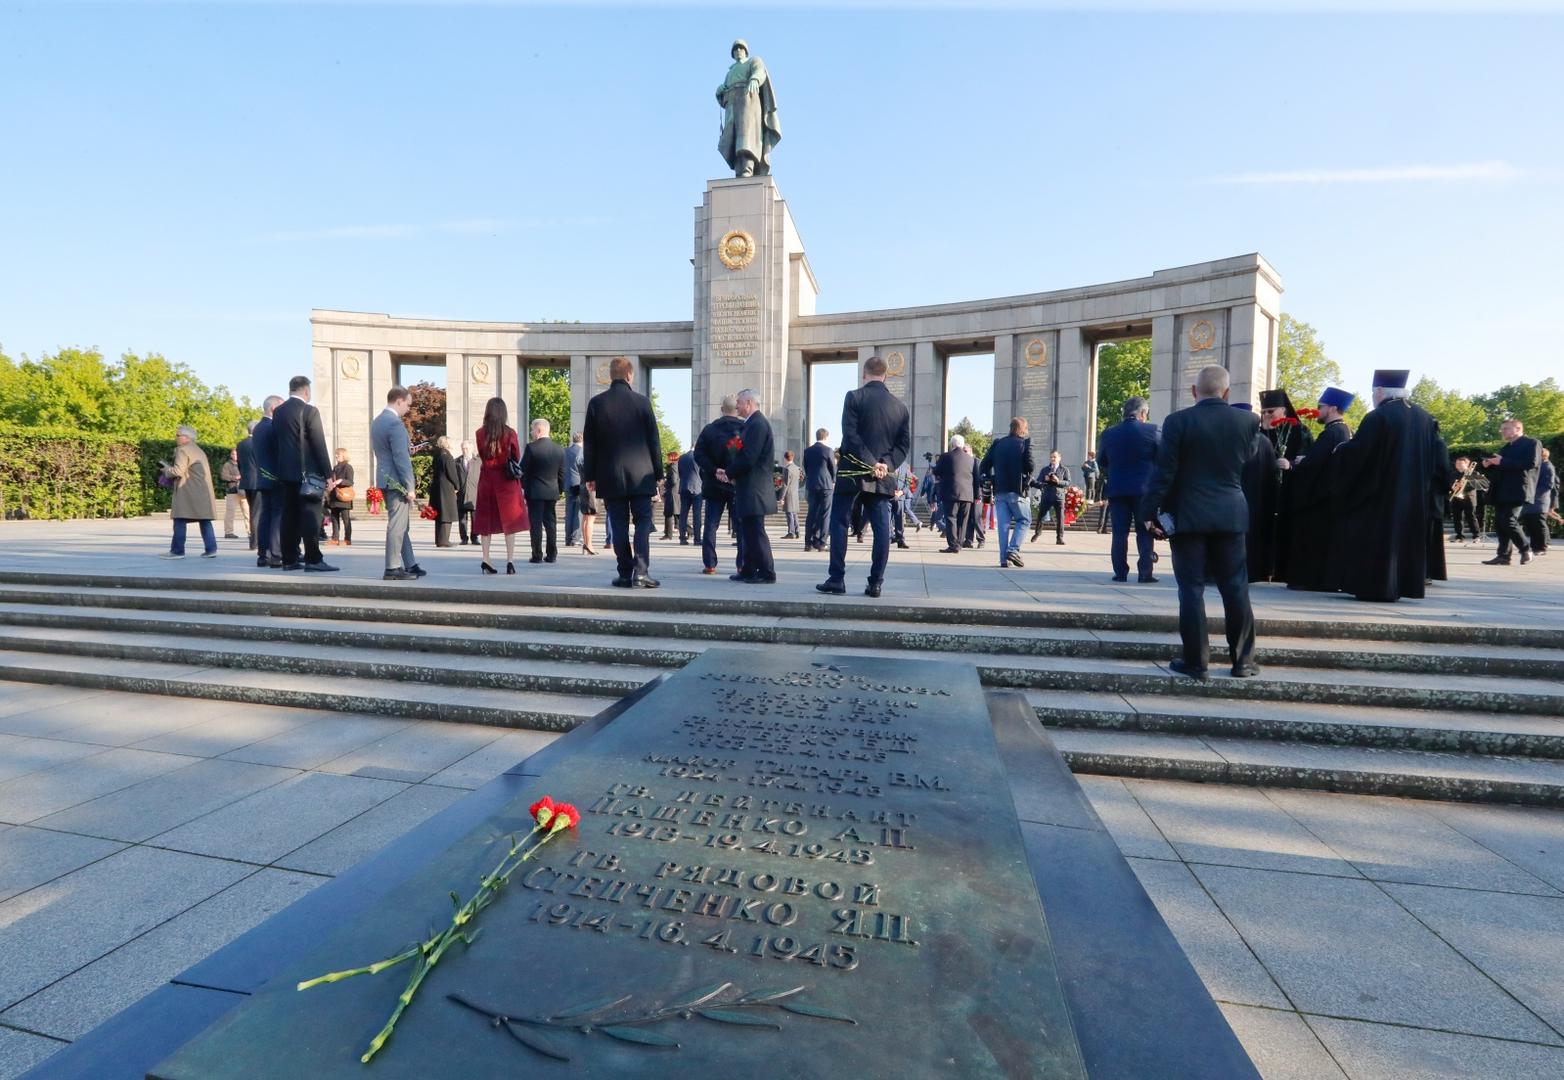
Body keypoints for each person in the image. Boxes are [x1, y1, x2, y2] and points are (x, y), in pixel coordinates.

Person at [1140, 365, 1258, 680]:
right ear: (1227, 392)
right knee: (1235, 587)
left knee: (1191, 589)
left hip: (1188, 515)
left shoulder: (1178, 421)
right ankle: (1243, 661)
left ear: (1195, 392)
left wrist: (1149, 514)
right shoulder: (1248, 421)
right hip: (1230, 514)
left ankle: (1195, 660)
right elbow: (1247, 458)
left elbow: (1164, 472)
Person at [1330, 370, 1441, 599]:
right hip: (1414, 494)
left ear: (1379, 392)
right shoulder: (1425, 417)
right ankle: (1404, 585)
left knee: (1376, 538)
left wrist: (1341, 450)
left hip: (1382, 493)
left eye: (1373, 393)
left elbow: (1361, 453)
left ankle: (1375, 587)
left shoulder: (1378, 416)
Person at [818, 355, 910, 598]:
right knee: (881, 529)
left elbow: (850, 435)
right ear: (886, 376)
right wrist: (884, 464)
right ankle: (875, 583)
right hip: (882, 476)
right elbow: (903, 446)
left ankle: (836, 579)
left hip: (853, 471)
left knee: (839, 522)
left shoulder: (854, 397)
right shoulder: (900, 407)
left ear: (864, 374)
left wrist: (870, 463)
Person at [582, 356, 662, 588]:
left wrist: (590, 476)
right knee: (643, 522)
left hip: (610, 475)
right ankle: (641, 571)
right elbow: (653, 442)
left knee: (618, 524)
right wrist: (659, 474)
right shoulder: (642, 402)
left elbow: (590, 443)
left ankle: (625, 572)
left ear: (611, 375)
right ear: (629, 375)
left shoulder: (596, 404)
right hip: (641, 474)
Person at [1285, 387, 1354, 592]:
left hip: (1318, 499)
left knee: (1311, 541)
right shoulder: (1344, 430)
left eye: (1320, 407)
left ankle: (1309, 580)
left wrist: (1297, 464)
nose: (1318, 411)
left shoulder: (1332, 432)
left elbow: (1314, 464)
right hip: (1330, 496)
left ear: (1332, 408)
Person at [271, 375, 337, 573]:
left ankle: (289, 559)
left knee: (288, 517)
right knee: (311, 517)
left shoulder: (279, 412)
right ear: (306, 391)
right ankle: (313, 559)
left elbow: (276, 442)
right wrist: (328, 473)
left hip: (285, 474)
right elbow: (318, 443)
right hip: (307, 475)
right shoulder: (309, 411)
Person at [1097, 396, 1160, 583]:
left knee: (1119, 532)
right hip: (1144, 490)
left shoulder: (1109, 433)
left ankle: (1120, 572)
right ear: (1142, 413)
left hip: (1117, 490)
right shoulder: (1152, 430)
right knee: (1145, 531)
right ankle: (1145, 573)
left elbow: (1101, 461)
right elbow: (1163, 456)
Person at [718, 388, 777, 583]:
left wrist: (729, 473)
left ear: (749, 403)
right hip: (750, 486)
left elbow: (749, 457)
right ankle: (749, 569)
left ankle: (767, 572)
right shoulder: (751, 424)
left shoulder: (758, 424)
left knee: (755, 531)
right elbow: (740, 452)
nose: (737, 407)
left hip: (755, 487)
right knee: (748, 530)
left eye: (740, 403)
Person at [1257, 389, 1313, 582]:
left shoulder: (1299, 431)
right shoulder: (1258, 432)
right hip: (1263, 491)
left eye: (1270, 412)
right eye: (1264, 412)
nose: (1266, 416)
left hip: (1288, 491)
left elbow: (1309, 463)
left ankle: (1282, 571)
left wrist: (1291, 466)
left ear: (1283, 411)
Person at [371, 388, 423, 580]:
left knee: (402, 524)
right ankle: (392, 568)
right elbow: (401, 458)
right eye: (408, 404)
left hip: (385, 478)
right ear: (399, 401)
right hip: (397, 482)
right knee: (397, 525)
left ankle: (410, 564)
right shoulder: (395, 424)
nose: (408, 409)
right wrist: (410, 486)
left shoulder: (377, 421)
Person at [474, 396, 529, 575]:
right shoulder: (510, 433)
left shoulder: (480, 433)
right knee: (510, 522)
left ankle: (486, 558)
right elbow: (516, 456)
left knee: (485, 521)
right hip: (506, 481)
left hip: (487, 480)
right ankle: (510, 560)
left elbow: (483, 456)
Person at [694, 396, 745, 575]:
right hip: (736, 485)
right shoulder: (744, 429)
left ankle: (710, 564)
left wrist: (715, 470)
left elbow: (698, 455)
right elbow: (747, 456)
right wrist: (731, 473)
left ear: (722, 409)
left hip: (713, 484)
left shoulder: (709, 430)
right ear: (737, 410)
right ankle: (742, 564)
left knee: (711, 525)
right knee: (740, 526)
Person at [715, 39, 780, 178]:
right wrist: (720, 91)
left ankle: (747, 168)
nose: (738, 51)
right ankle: (740, 169)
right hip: (732, 106)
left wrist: (755, 79)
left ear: (745, 51)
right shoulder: (730, 73)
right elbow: (724, 94)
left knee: (746, 138)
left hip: (748, 101)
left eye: (740, 48)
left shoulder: (753, 61)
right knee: (732, 138)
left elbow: (760, 72)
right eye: (735, 49)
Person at [1483, 419, 1543, 566]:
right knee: (1500, 522)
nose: (1502, 432)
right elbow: (1503, 467)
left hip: (1518, 489)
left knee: (1508, 520)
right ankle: (1503, 556)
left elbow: (1531, 464)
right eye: (1502, 429)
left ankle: (1526, 549)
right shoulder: (1507, 447)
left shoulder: (1532, 443)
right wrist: (1490, 465)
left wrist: (1502, 462)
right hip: (1502, 490)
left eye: (1506, 429)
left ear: (1517, 429)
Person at [980, 417, 1035, 568]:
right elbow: (1030, 467)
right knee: (1024, 520)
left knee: (1003, 525)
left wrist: (991, 478)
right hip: (1016, 490)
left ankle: (1004, 560)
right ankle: (1013, 550)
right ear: (1023, 429)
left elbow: (984, 465)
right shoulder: (1024, 443)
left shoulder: (998, 444)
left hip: (999, 491)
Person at [161, 426, 219, 559]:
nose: (176, 437)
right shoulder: (199, 450)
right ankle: (211, 549)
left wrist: (166, 470)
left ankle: (177, 551)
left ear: (186, 437)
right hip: (202, 492)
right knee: (204, 519)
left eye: (178, 435)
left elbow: (178, 471)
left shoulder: (183, 450)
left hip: (187, 491)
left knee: (180, 518)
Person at [1237, 403, 1279, 584]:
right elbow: (1272, 474)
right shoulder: (1265, 441)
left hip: (1236, 498)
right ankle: (1254, 571)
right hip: (1258, 500)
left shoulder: (1234, 439)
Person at [521, 418, 565, 564]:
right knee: (551, 523)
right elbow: (562, 474)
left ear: (539, 430)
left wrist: (524, 488)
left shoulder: (531, 448)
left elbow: (523, 470)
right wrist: (559, 489)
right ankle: (552, 554)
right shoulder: (559, 449)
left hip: (535, 492)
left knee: (535, 524)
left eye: (532, 429)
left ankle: (537, 554)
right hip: (552, 492)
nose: (531, 432)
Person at [251, 397, 283, 567]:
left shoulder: (258, 428)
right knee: (276, 516)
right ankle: (275, 553)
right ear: (272, 408)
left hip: (263, 478)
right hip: (275, 478)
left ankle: (263, 553)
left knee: (265, 516)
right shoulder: (271, 427)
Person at [934, 435, 974, 553]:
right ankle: (959, 544)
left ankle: (953, 545)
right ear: (962, 445)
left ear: (952, 444)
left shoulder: (945, 457)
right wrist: (976, 495)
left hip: (951, 493)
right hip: (967, 494)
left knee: (951, 518)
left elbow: (937, 471)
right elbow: (975, 478)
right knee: (963, 520)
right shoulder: (971, 459)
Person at [802, 428, 834, 551]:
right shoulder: (828, 450)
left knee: (811, 514)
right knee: (825, 514)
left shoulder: (807, 451)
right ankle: (821, 542)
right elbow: (832, 468)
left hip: (812, 485)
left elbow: (806, 468)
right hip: (826, 485)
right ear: (826, 437)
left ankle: (808, 543)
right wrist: (833, 480)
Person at [1030, 451, 1070, 545]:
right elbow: (1038, 481)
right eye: (1051, 457)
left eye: (1054, 457)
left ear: (1059, 458)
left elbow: (1067, 482)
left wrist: (1058, 481)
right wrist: (1045, 481)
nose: (1052, 459)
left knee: (1060, 518)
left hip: (1059, 497)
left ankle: (1059, 538)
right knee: (1041, 516)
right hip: (1046, 495)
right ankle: (1037, 533)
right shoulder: (1045, 469)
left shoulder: (1064, 469)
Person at [431, 436, 462, 548]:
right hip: (446, 489)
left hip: (437, 488)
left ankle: (439, 540)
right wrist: (457, 485)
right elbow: (452, 473)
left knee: (440, 515)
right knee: (446, 514)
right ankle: (444, 540)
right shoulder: (447, 456)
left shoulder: (437, 455)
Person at [1447, 455, 1484, 544]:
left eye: (1460, 463)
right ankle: (1459, 536)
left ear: (1467, 464)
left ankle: (1476, 536)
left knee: (1471, 517)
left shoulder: (1473, 473)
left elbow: (1477, 485)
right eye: (1456, 463)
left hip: (1469, 498)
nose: (1457, 465)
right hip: (1456, 497)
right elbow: (1449, 485)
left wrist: (1463, 486)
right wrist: (1453, 486)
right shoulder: (1453, 474)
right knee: (1457, 518)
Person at [236, 421, 259, 549]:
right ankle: (256, 542)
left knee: (252, 512)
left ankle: (253, 541)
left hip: (247, 481)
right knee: (257, 512)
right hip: (258, 482)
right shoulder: (258, 443)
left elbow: (240, 464)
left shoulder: (241, 444)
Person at [326, 448, 355, 546]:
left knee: (346, 519)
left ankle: (347, 539)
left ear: (344, 455)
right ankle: (335, 538)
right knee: (334, 518)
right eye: (336, 454)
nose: (336, 456)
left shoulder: (348, 467)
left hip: (343, 497)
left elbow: (350, 482)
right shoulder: (335, 467)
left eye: (338, 454)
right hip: (334, 497)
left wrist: (340, 481)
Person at [677, 446, 703, 544]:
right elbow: (702, 473)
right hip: (697, 488)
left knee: (683, 514)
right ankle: (697, 539)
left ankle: (682, 538)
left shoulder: (682, 458)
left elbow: (680, 473)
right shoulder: (698, 457)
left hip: (684, 487)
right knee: (697, 515)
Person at [219, 449, 247, 540]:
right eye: (233, 454)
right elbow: (223, 476)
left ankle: (251, 532)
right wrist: (235, 478)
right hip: (232, 491)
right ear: (231, 455)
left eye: (237, 454)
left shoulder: (244, 463)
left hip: (244, 491)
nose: (235, 455)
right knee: (230, 513)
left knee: (248, 513)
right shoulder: (227, 465)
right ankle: (228, 532)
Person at [563, 433, 584, 548]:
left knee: (569, 512)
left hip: (567, 485)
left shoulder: (565, 451)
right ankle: (575, 538)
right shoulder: (582, 452)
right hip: (579, 485)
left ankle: (567, 539)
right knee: (578, 513)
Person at [458, 441, 479, 546]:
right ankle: (464, 538)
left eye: (466, 448)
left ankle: (475, 538)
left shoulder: (478, 461)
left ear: (471, 449)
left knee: (475, 518)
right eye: (463, 448)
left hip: (475, 494)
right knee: (462, 519)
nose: (464, 450)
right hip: (461, 493)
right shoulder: (457, 461)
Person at [779, 450, 802, 539]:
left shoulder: (787, 469)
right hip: (795, 493)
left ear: (785, 458)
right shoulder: (797, 468)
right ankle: (797, 531)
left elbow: (785, 484)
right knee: (794, 513)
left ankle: (791, 532)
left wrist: (782, 497)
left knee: (789, 513)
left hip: (789, 493)